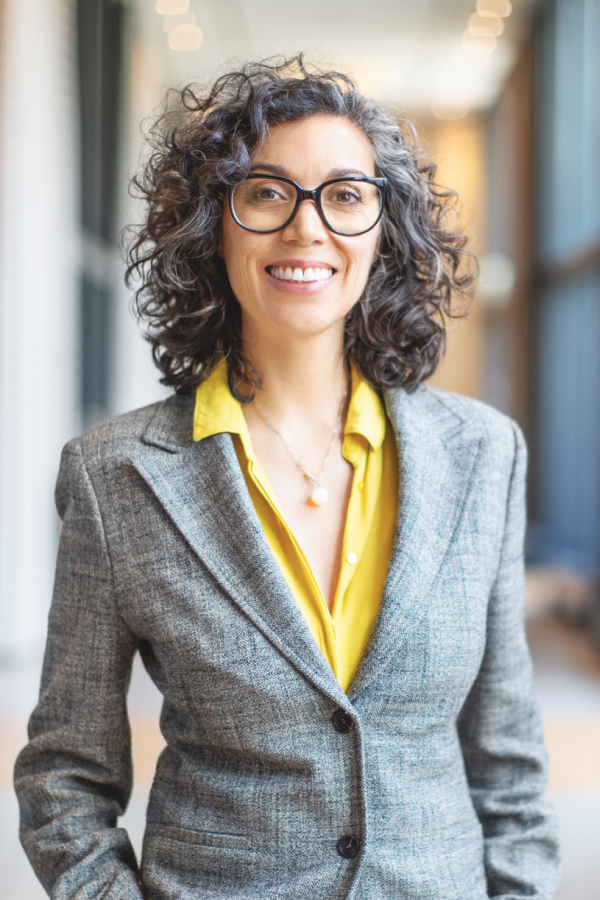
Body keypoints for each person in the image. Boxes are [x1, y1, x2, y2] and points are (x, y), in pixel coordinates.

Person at [14, 57, 559, 899]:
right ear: (213, 226)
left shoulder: (483, 455)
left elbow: (511, 770)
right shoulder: (114, 476)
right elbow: (65, 778)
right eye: (266, 193)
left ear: (384, 231)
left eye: (344, 196)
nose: (307, 228)